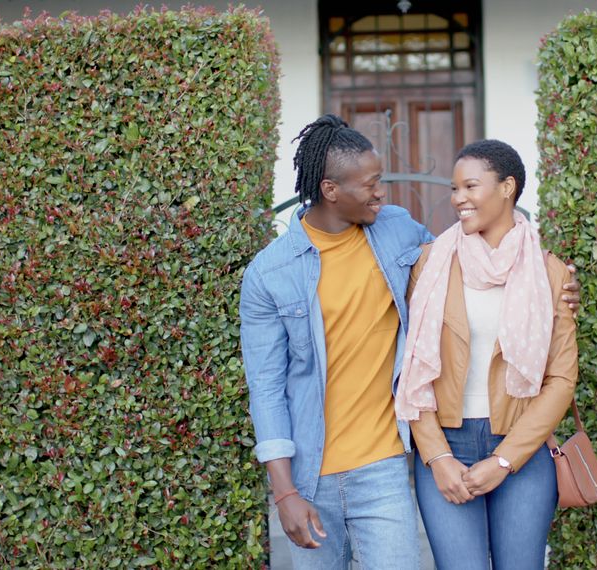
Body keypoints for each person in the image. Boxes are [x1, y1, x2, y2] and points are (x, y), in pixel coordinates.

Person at [240, 116, 578, 568]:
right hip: (315, 470)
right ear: (330, 189)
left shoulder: (397, 232)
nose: (383, 192)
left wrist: (559, 279)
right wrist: (284, 491)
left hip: (385, 466)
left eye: (470, 187)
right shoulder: (271, 273)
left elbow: (473, 266)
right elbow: (265, 387)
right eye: (371, 184)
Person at [396, 139, 579, 569]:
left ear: (507, 187)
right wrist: (437, 457)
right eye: (455, 189)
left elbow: (561, 378)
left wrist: (504, 459)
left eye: (470, 187)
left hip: (521, 445)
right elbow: (413, 370)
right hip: (446, 445)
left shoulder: (549, 271)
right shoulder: (432, 263)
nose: (459, 198)